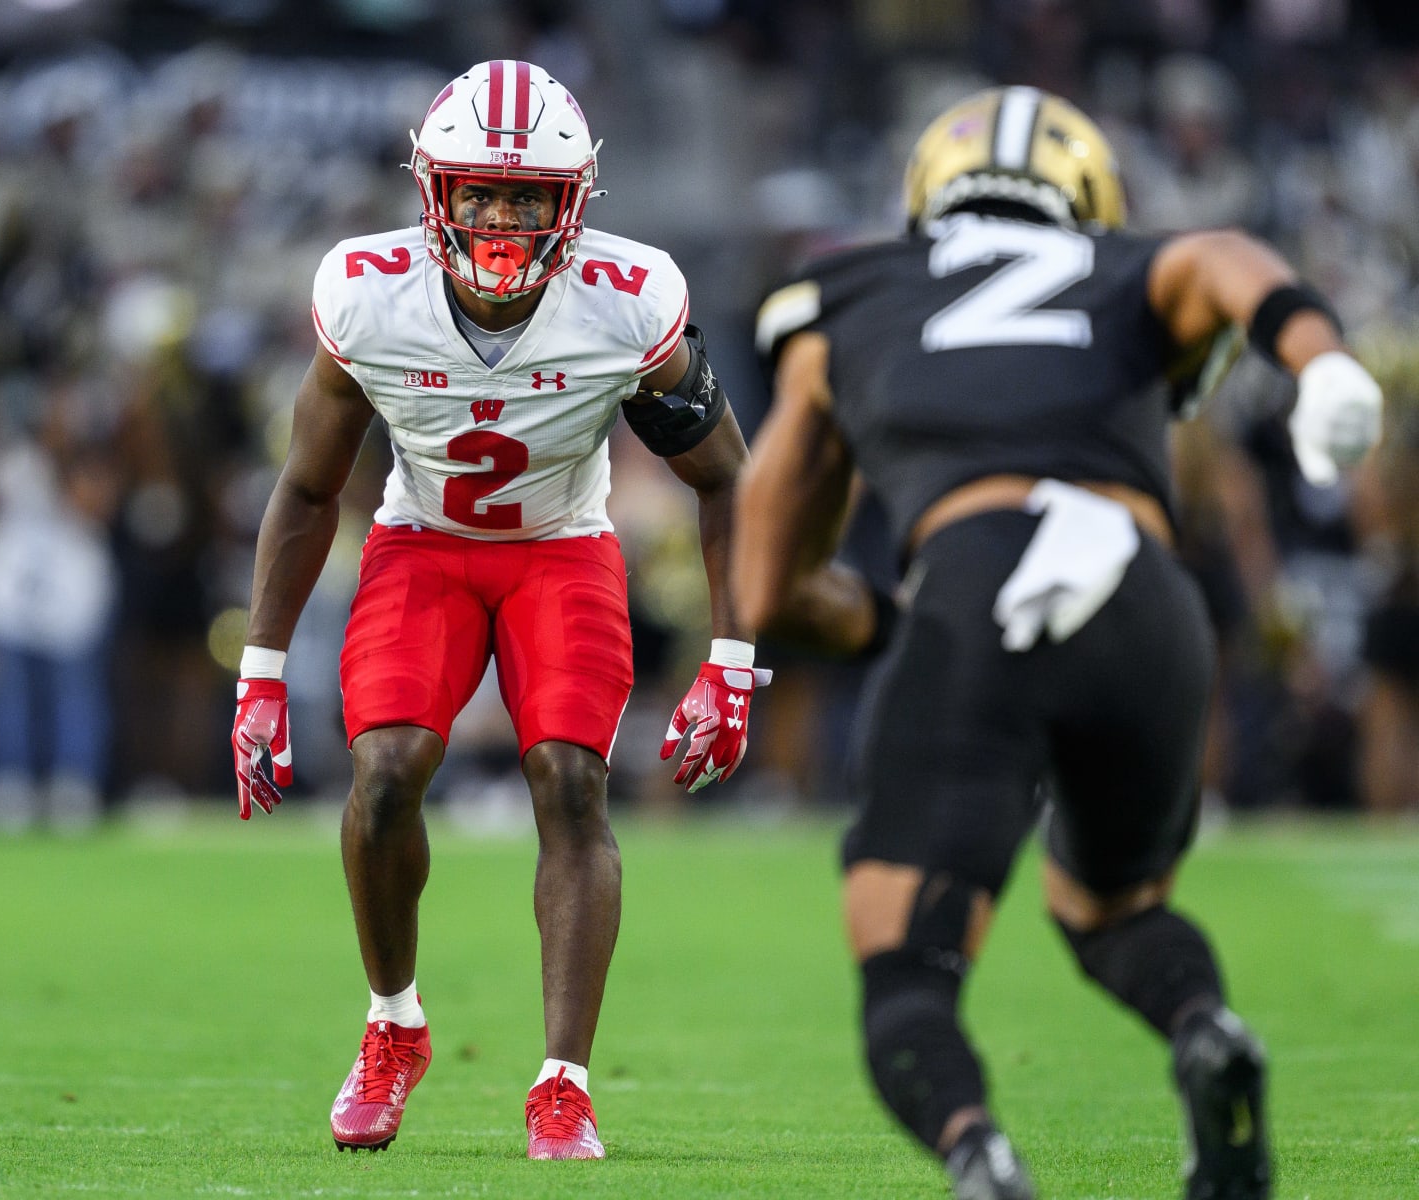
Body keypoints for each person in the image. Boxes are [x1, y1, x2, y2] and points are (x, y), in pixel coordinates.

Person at [735, 86, 1382, 1200]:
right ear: (1086, 201)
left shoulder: (849, 290)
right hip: (1143, 590)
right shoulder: (1125, 265)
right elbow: (1222, 255)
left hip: (978, 575)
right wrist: (1320, 359)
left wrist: (886, 624)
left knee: (907, 971)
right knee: (1116, 907)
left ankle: (981, 1156)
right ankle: (1204, 1024)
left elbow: (770, 571)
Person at [230, 60, 766, 1161]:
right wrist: (262, 672)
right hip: (422, 543)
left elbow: (727, 477)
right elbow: (307, 485)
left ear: (573, 203)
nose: (504, 218)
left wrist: (732, 659)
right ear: (436, 191)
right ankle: (393, 1027)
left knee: (570, 781)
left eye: (528, 196)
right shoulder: (367, 291)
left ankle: (563, 1085)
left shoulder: (631, 300)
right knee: (384, 773)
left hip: (561, 550)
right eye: (481, 191)